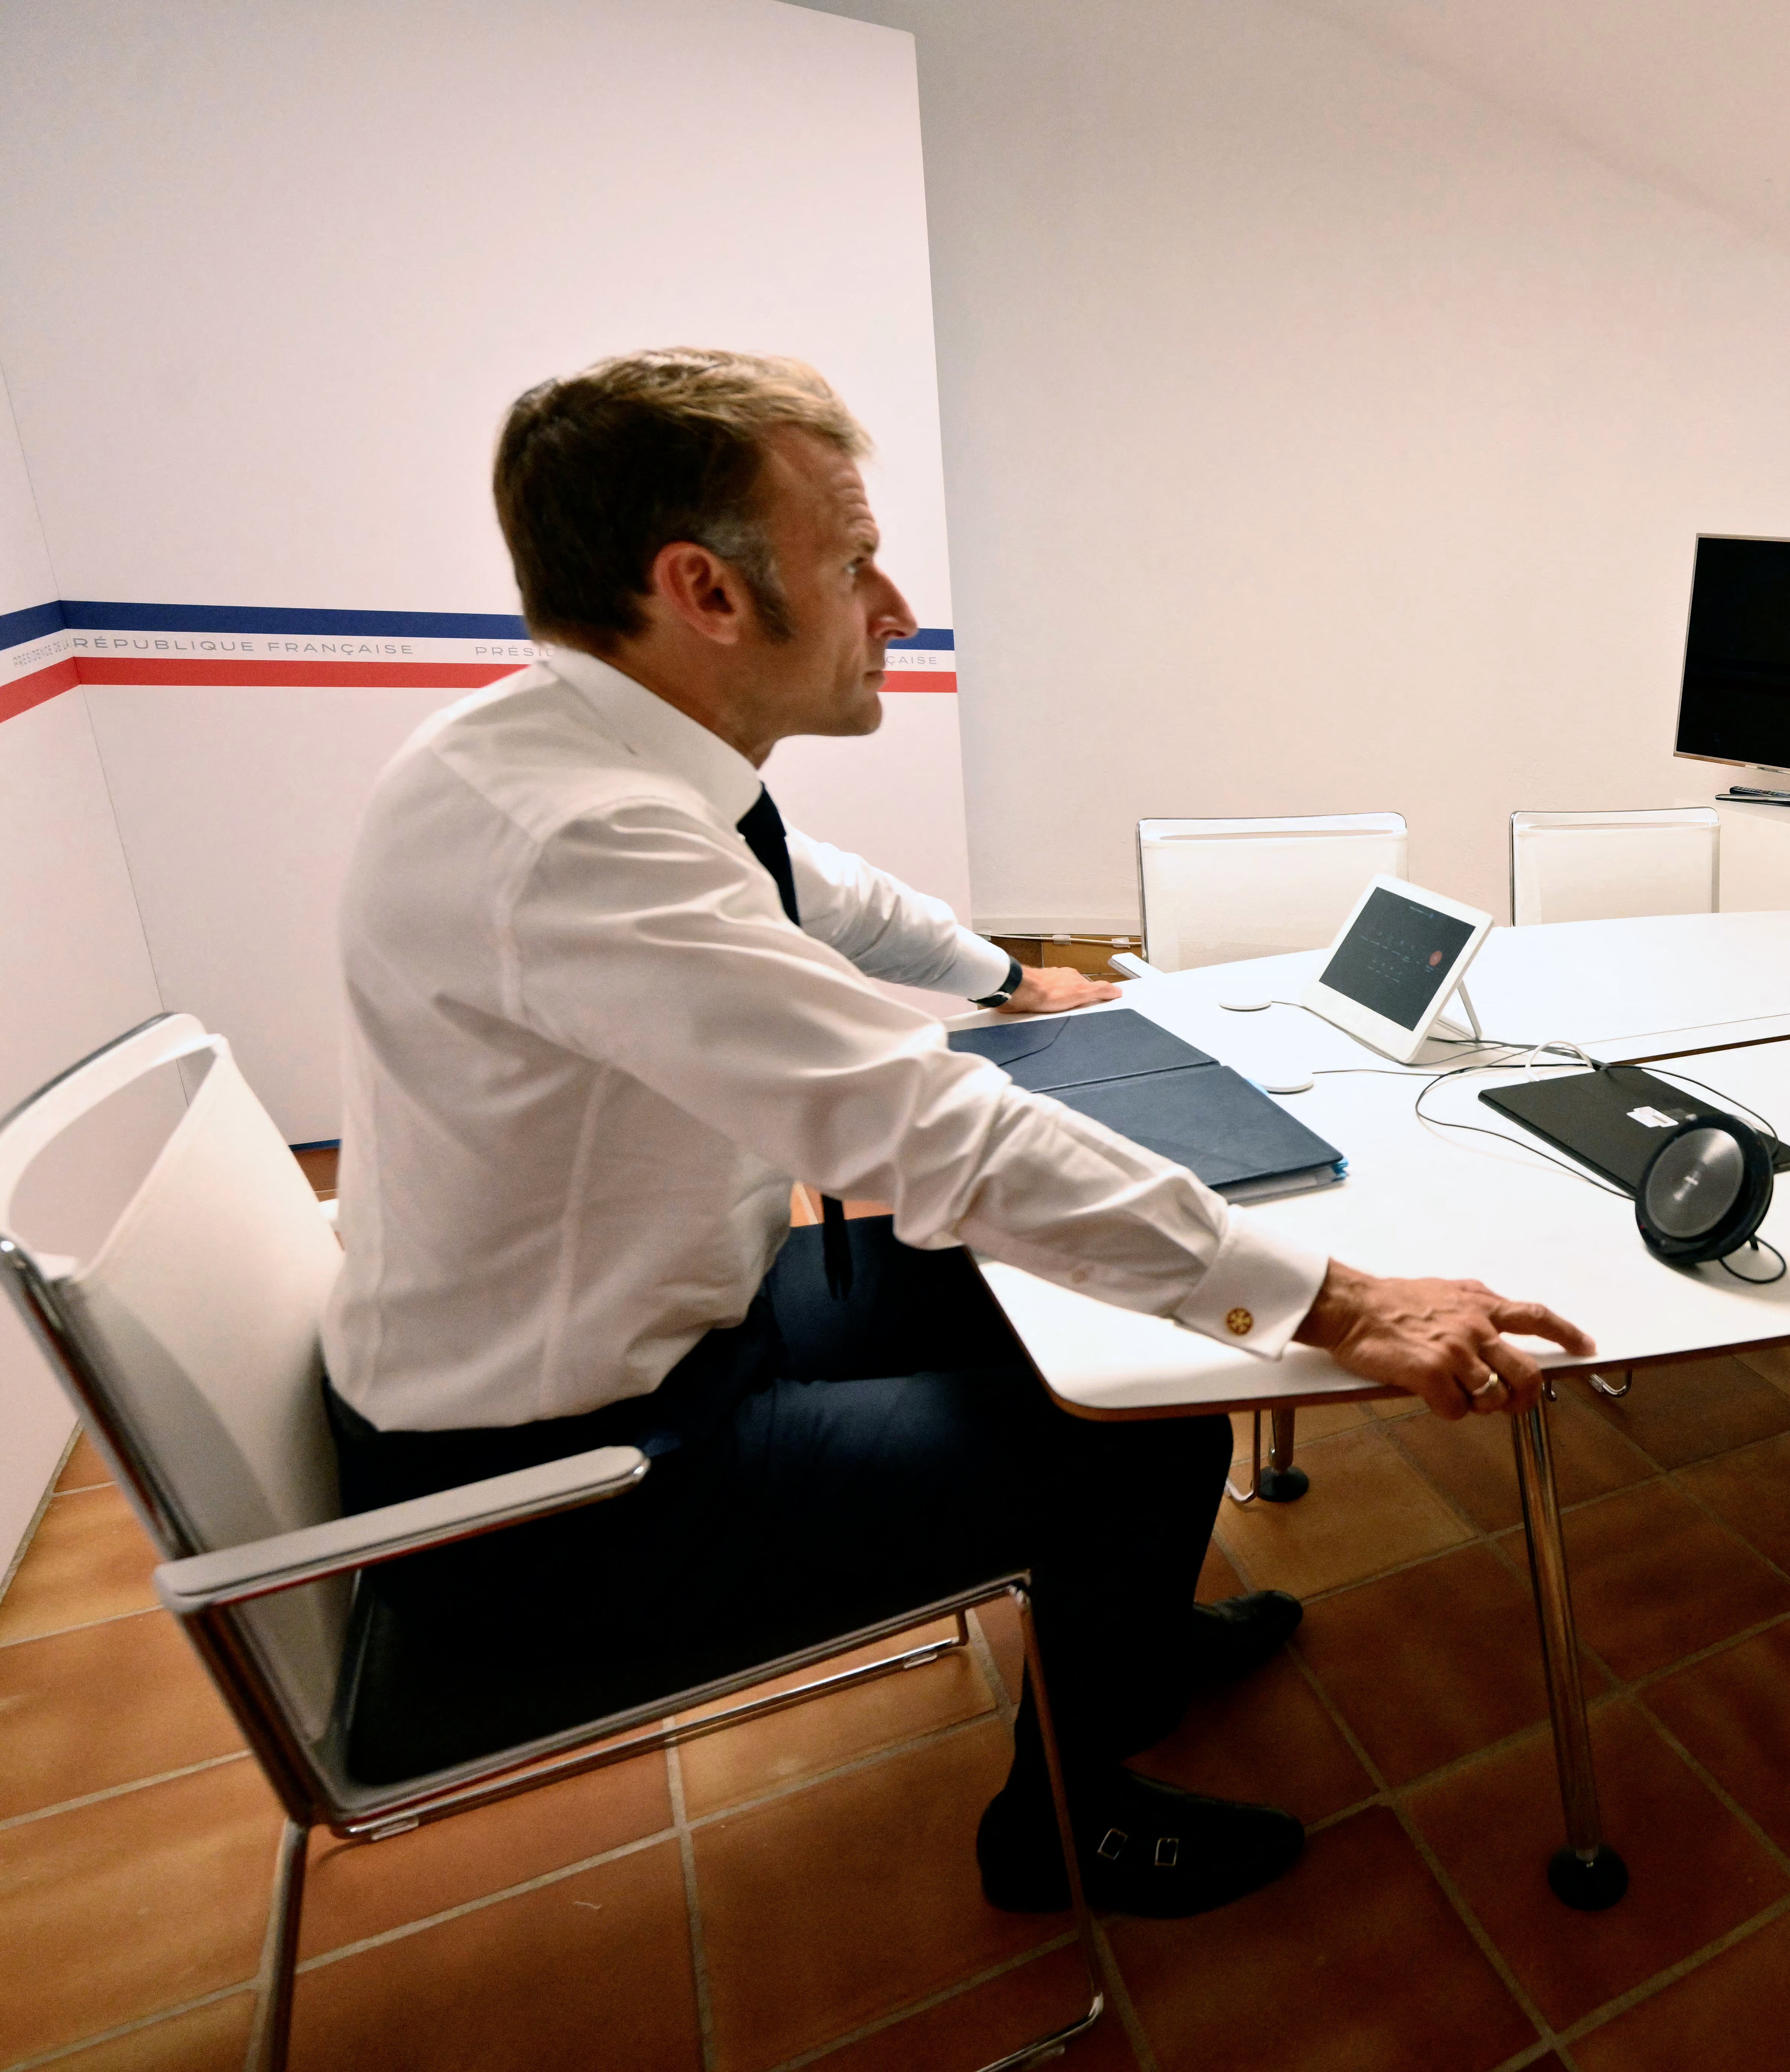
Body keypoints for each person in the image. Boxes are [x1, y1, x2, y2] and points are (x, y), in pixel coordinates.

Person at [321, 349, 1592, 1920]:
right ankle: (1061, 1826)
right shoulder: (585, 845)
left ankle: (1116, 1629)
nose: (896, 604)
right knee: (1144, 1419)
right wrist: (1346, 1297)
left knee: (1109, 1336)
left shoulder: (576, 753)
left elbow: (818, 890)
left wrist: (1007, 973)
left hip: (618, 1347)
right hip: (580, 1486)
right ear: (704, 590)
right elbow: (939, 1135)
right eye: (852, 561)